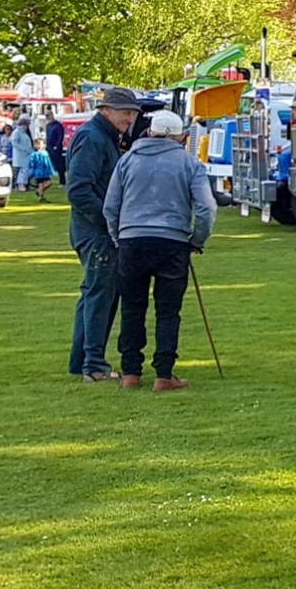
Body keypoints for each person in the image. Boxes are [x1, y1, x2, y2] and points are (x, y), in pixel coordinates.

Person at [104, 110, 215, 392]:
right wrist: (196, 240)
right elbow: (206, 208)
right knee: (168, 310)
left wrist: (119, 238)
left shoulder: (127, 160)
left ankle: (131, 373)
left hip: (132, 240)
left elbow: (110, 207)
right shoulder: (189, 163)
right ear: (181, 137)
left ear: (150, 132)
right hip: (173, 242)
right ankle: (164, 374)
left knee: (132, 308)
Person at [67, 87, 144, 382]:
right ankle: (94, 366)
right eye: (125, 112)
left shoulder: (104, 137)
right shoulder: (93, 138)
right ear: (106, 110)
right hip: (96, 232)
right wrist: (109, 222)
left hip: (93, 229)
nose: (130, 118)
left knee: (94, 295)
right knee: (101, 295)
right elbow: (79, 190)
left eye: (133, 113)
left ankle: (82, 361)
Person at [9, 113, 35, 191]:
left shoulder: (23, 133)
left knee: (25, 171)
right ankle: (20, 185)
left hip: (26, 156)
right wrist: (24, 149)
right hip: (20, 156)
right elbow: (14, 143)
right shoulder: (17, 132)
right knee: (22, 172)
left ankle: (24, 184)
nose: (26, 127)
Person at [46, 114, 68, 186]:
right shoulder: (48, 126)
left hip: (56, 148)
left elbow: (60, 136)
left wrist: (57, 146)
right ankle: (46, 181)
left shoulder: (58, 126)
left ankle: (62, 181)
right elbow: (47, 136)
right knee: (48, 164)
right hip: (49, 147)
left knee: (59, 164)